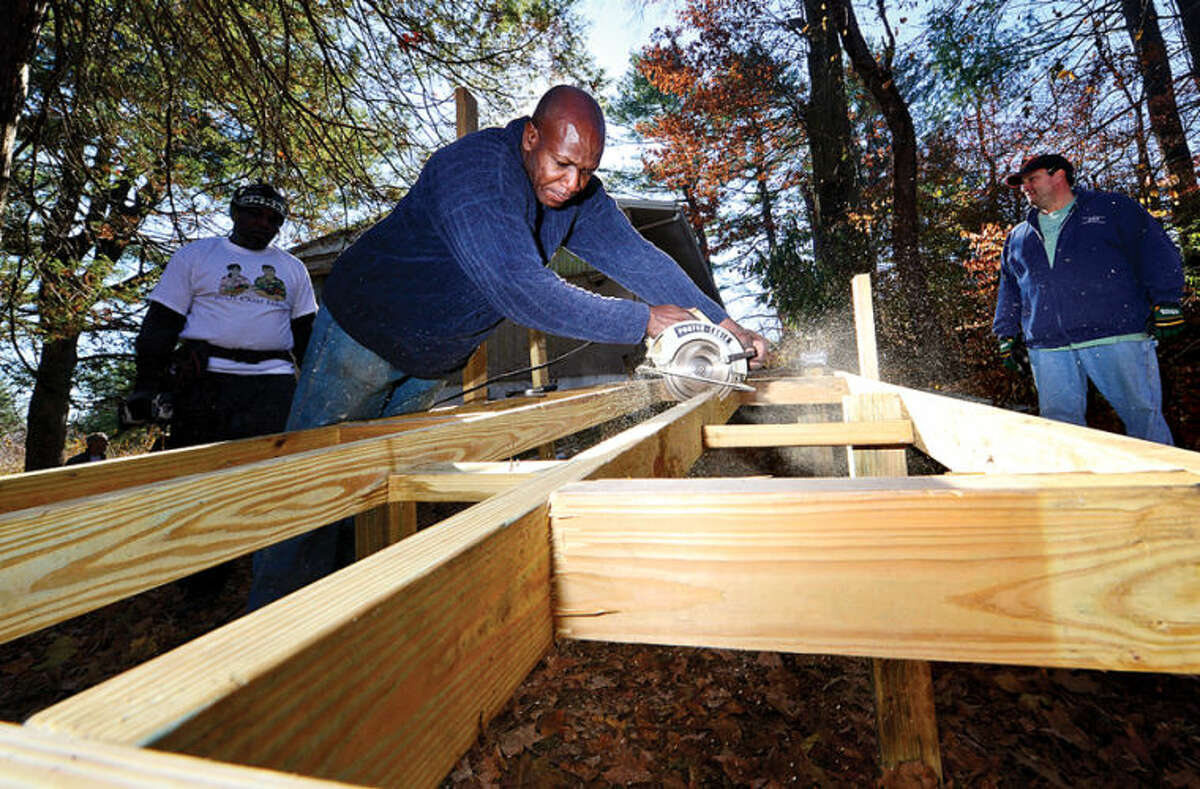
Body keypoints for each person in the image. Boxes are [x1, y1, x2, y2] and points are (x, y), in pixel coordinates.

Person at [246, 85, 769, 609]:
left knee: (381, 488)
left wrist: (726, 324)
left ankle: (348, 613)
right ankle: (268, 627)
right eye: (563, 164)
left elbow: (640, 259)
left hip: (431, 361)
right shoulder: (474, 173)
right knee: (308, 486)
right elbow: (520, 289)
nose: (572, 184)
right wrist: (642, 319)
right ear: (529, 136)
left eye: (586, 171)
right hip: (361, 331)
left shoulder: (578, 193)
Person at [126, 182, 318, 596]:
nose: (262, 223)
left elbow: (307, 335)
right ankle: (199, 582)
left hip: (271, 387)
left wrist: (315, 391)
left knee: (265, 482)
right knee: (198, 481)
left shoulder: (292, 269)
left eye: (273, 218)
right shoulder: (197, 256)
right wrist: (146, 385)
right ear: (234, 213)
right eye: (253, 214)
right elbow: (161, 322)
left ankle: (266, 576)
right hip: (204, 383)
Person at [993, 153, 1184, 444]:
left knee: (1144, 418)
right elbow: (1010, 287)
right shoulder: (1019, 236)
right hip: (1049, 347)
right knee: (1060, 431)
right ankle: (1074, 490)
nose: (1025, 187)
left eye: (1032, 179)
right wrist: (1006, 334)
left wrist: (1167, 302)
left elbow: (1155, 250)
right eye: (1022, 183)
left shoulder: (1112, 209)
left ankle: (1172, 487)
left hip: (1116, 336)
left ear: (1059, 175)